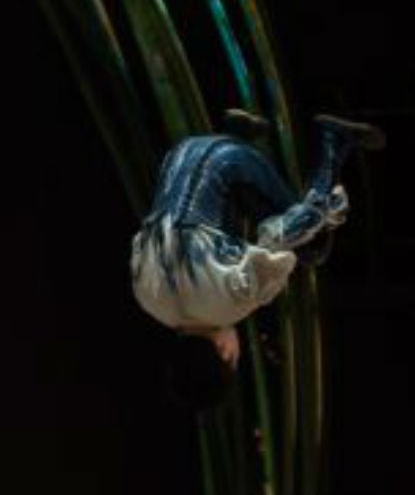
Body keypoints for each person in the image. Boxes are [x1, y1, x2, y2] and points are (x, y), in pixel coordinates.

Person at [132, 110, 384, 406]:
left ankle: (333, 140)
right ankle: (237, 131)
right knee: (226, 236)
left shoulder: (233, 305)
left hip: (227, 161)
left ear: (226, 355)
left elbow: (279, 234)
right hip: (179, 153)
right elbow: (146, 237)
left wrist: (326, 213)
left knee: (310, 247)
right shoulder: (148, 300)